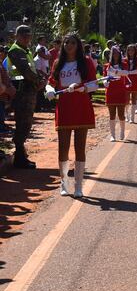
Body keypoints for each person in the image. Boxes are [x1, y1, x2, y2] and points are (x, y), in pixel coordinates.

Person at [44, 33, 98, 197]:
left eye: (73, 42)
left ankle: (78, 186)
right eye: (66, 42)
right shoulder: (57, 63)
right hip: (65, 108)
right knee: (63, 148)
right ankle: (64, 182)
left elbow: (94, 84)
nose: (69, 45)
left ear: (78, 45)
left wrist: (82, 88)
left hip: (82, 107)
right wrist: (50, 90)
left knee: (80, 147)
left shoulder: (86, 62)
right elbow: (50, 82)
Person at [8, 25, 43, 168]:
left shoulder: (25, 50)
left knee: (25, 123)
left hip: (28, 91)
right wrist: (39, 81)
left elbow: (31, 70)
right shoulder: (16, 51)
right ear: (17, 36)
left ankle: (20, 155)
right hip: (22, 92)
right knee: (23, 123)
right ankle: (19, 157)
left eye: (28, 35)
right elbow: (26, 72)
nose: (26, 38)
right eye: (23, 35)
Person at [104, 46, 130, 141]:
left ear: (119, 54)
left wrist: (114, 71)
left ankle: (122, 132)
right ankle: (112, 135)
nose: (115, 55)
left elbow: (126, 73)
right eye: (113, 53)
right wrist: (105, 83)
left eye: (117, 53)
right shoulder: (107, 66)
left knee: (121, 114)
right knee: (112, 115)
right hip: (110, 92)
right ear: (111, 54)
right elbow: (104, 77)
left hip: (120, 91)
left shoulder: (124, 64)